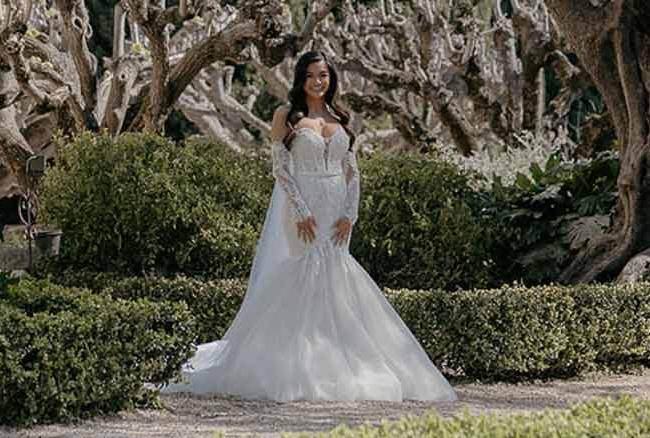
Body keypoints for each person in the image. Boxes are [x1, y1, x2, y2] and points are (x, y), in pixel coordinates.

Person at [162, 50, 457, 402]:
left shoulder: (340, 116)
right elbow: (280, 168)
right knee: (305, 269)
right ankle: (293, 361)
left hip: (336, 208)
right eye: (313, 75)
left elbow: (353, 171)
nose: (319, 81)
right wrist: (300, 209)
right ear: (301, 79)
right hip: (302, 207)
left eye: (325, 75)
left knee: (337, 271)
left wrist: (351, 213)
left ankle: (337, 355)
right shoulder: (286, 116)